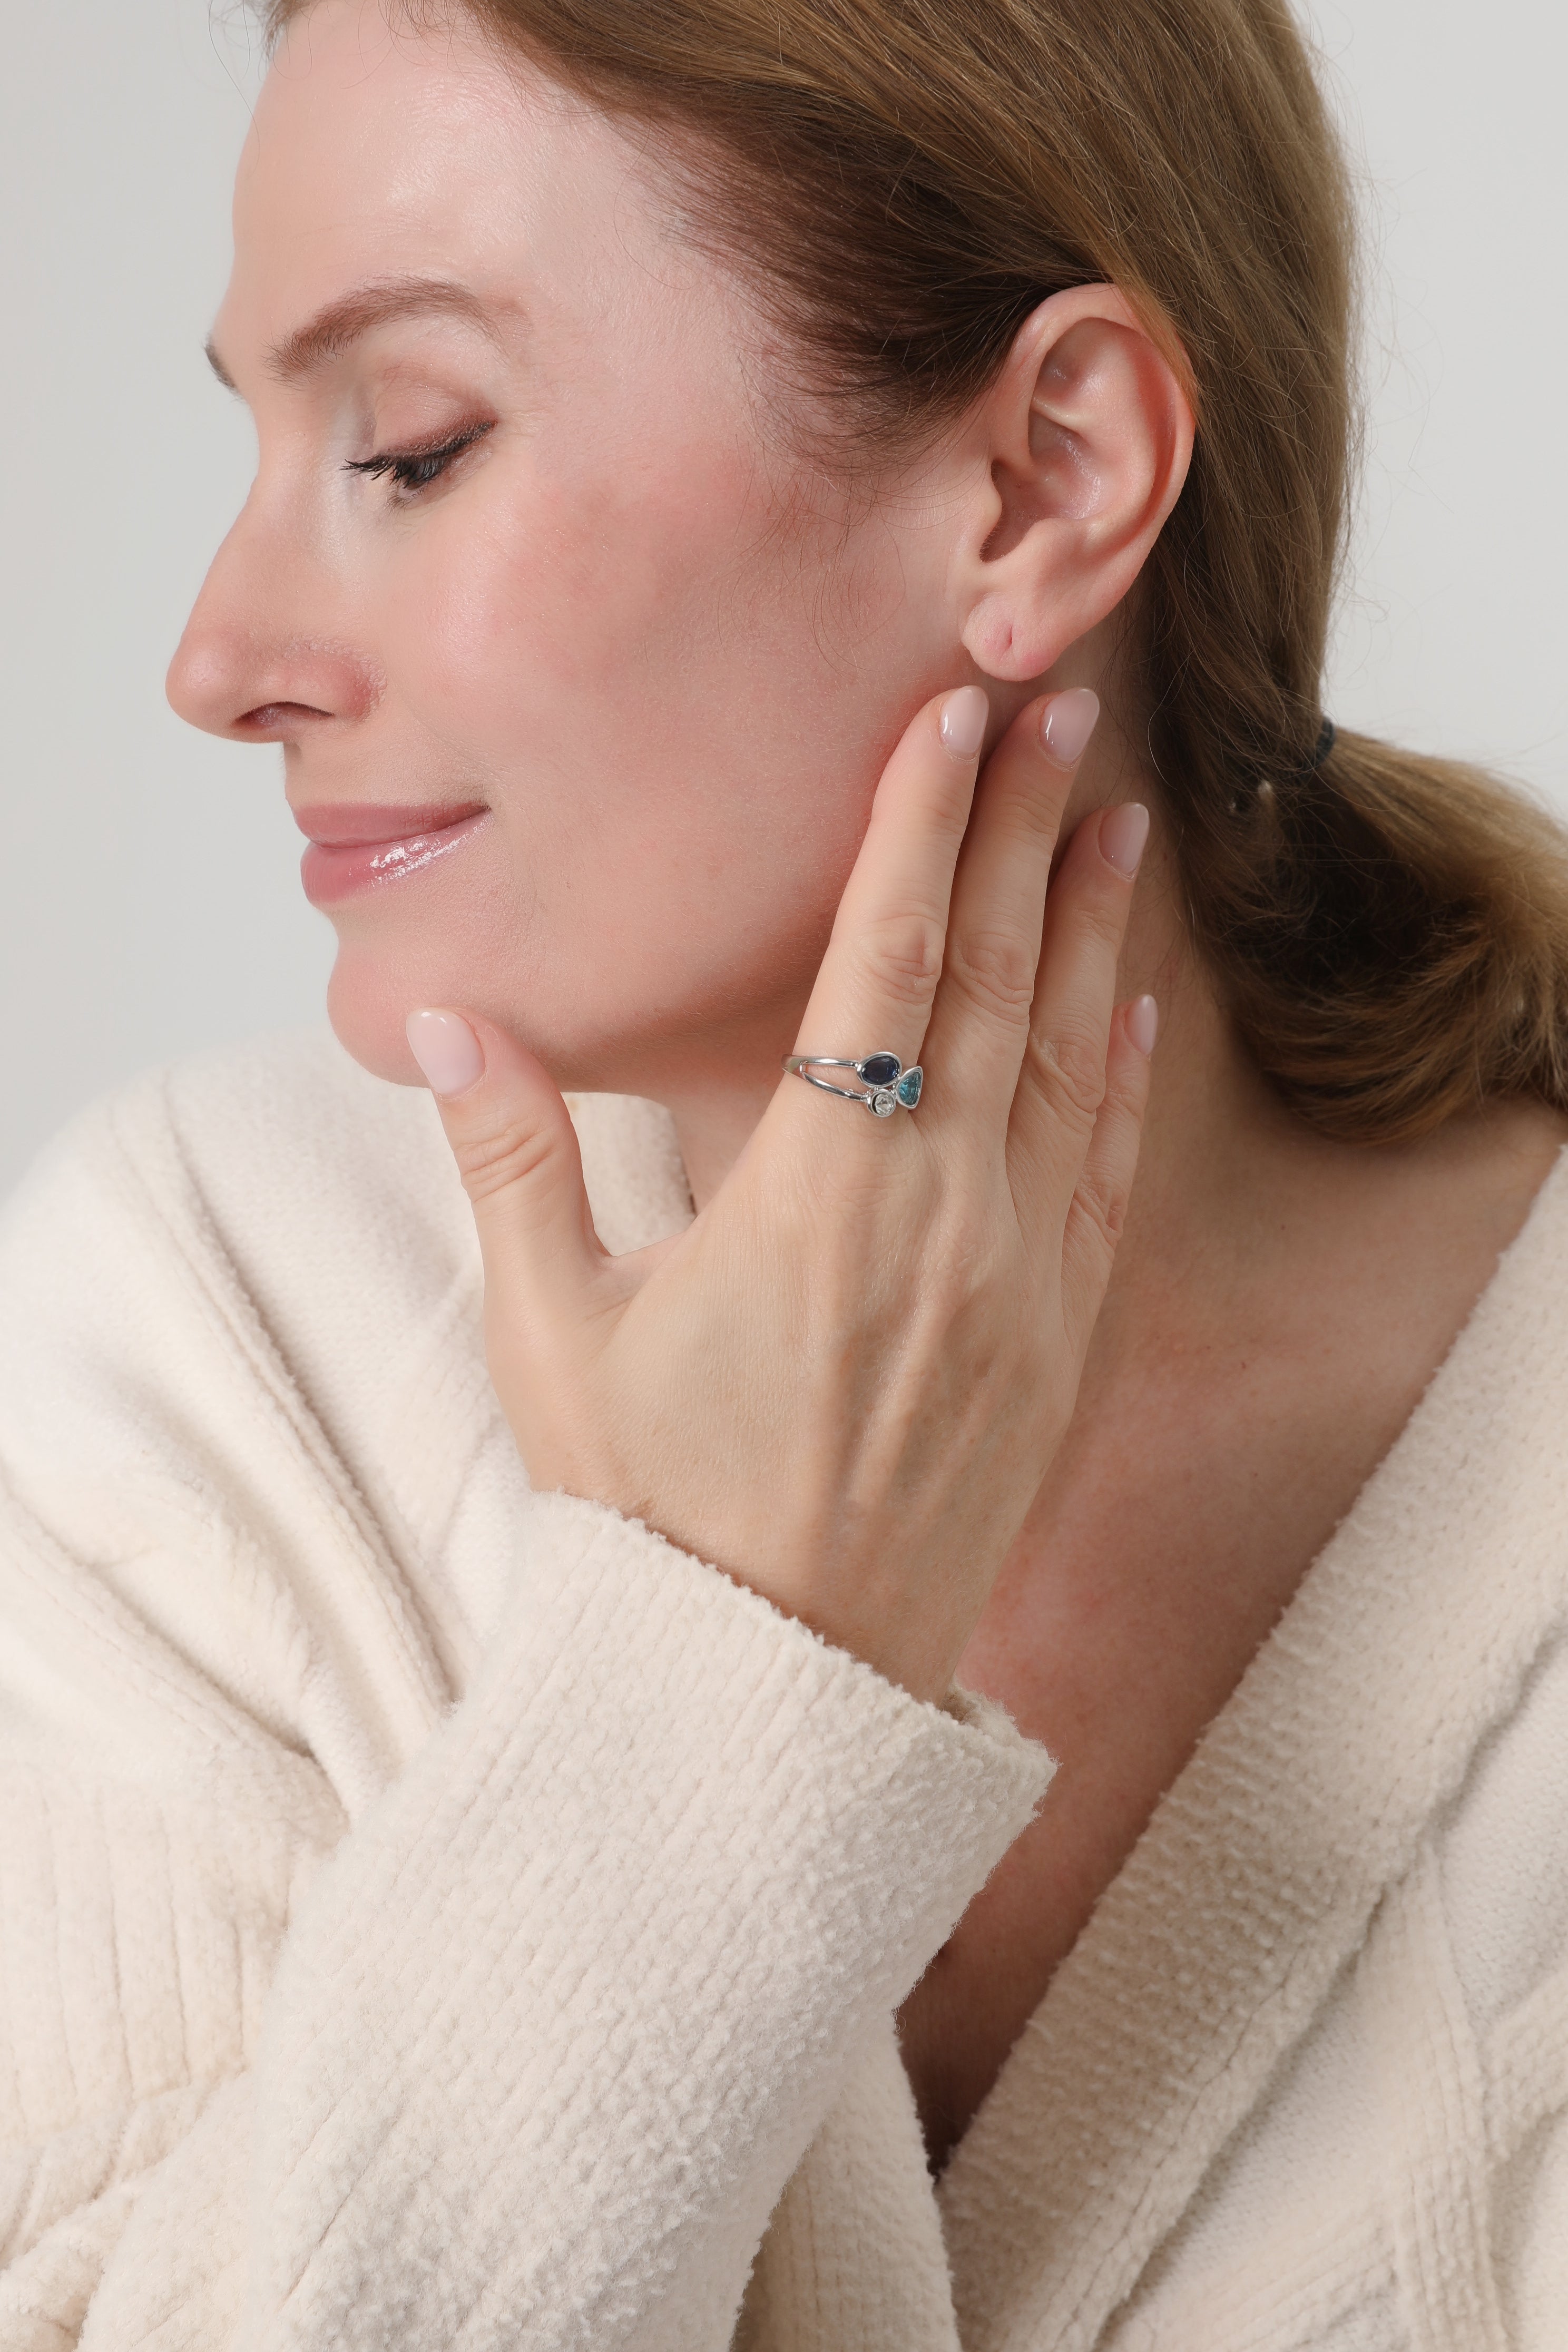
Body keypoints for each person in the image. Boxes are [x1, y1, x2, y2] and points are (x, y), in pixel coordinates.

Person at [3, 0, 1565, 2341]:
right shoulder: (207, 1346)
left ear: (1046, 482)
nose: (220, 658)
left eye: (412, 447)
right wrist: (720, 1642)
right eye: (260, 439)